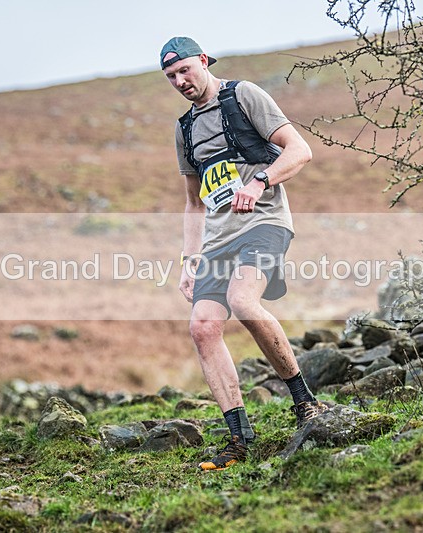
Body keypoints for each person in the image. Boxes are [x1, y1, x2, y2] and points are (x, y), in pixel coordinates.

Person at [161, 36, 328, 471]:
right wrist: (189, 260)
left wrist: (260, 182)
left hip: (266, 223)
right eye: (171, 77)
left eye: (185, 71)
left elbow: (300, 150)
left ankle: (305, 403)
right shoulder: (184, 130)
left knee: (242, 300)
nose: (180, 81)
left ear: (203, 61)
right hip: (218, 240)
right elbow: (194, 203)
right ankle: (238, 438)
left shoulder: (244, 95)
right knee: (202, 327)